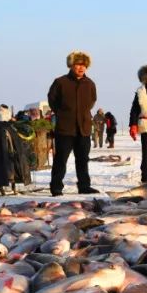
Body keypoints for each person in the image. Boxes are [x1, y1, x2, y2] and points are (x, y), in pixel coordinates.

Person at [47, 50, 99, 196]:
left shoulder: (89, 84)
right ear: (71, 65)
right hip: (65, 128)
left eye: (83, 65)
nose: (81, 68)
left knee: (83, 159)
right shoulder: (60, 82)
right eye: (77, 64)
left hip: (83, 128)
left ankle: (84, 186)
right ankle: (56, 187)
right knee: (61, 160)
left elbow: (92, 101)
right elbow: (52, 100)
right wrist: (63, 113)